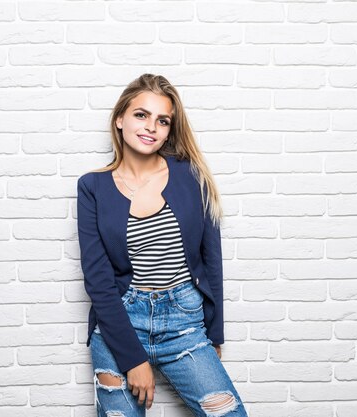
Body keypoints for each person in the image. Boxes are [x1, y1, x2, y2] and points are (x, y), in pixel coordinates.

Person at [76, 73, 248, 417]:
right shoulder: (92, 187)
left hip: (184, 322)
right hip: (120, 323)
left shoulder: (190, 175)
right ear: (120, 119)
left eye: (163, 120)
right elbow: (98, 280)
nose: (151, 126)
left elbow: (211, 258)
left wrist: (214, 335)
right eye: (141, 114)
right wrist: (133, 358)